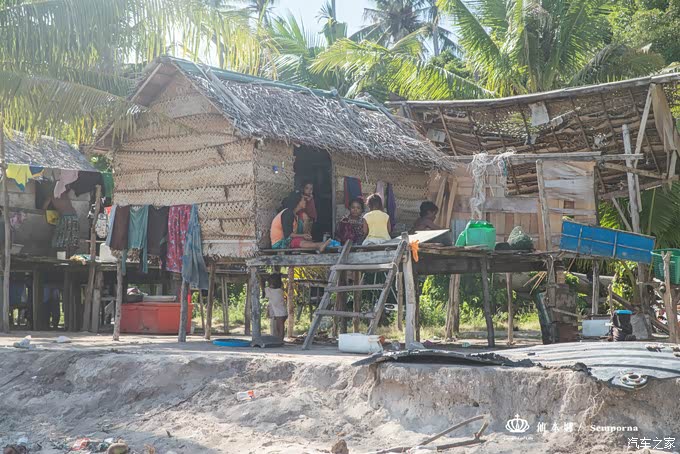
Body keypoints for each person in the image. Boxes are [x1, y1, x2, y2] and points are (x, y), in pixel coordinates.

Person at [265, 273, 287, 339]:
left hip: (280, 313)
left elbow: (263, 289)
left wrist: (261, 280)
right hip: (281, 312)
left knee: (280, 328)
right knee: (279, 327)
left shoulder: (272, 291)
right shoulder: (280, 290)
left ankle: (280, 340)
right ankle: (280, 339)